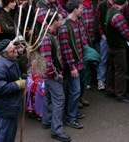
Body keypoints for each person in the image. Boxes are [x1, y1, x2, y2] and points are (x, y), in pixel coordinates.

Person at [39, 11, 71, 142]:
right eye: (60, 19)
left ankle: (47, 121)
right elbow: (47, 61)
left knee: (47, 97)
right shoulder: (47, 38)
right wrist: (56, 75)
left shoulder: (51, 34)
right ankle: (57, 130)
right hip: (52, 75)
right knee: (59, 100)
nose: (63, 21)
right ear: (54, 22)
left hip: (49, 75)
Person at [0, 39, 26, 142]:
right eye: (12, 50)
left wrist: (23, 76)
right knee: (4, 134)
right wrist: (17, 84)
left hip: (13, 104)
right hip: (6, 106)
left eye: (15, 48)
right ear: (5, 54)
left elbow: (16, 76)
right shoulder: (0, 66)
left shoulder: (12, 60)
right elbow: (0, 87)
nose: (15, 51)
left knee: (10, 133)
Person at [59, 0, 87, 129]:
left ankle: (72, 112)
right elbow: (66, 49)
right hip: (73, 66)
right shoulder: (65, 26)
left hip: (79, 63)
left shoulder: (78, 22)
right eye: (81, 8)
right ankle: (70, 118)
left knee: (75, 90)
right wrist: (72, 68)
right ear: (75, 10)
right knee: (74, 91)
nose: (83, 10)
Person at [106, 0, 129, 103]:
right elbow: (126, 33)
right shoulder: (118, 15)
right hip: (119, 47)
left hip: (111, 45)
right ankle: (120, 94)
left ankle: (110, 90)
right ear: (125, 2)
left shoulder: (110, 10)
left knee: (111, 69)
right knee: (121, 71)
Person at [96, 0, 114, 91]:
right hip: (105, 36)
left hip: (115, 37)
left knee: (115, 60)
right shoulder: (102, 5)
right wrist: (102, 35)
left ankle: (112, 82)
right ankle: (101, 80)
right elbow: (98, 21)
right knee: (103, 59)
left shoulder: (119, 3)